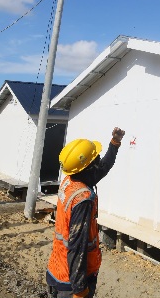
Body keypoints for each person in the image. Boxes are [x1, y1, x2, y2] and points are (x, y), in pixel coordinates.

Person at [46, 127, 125, 298]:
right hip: (71, 281)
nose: (98, 161)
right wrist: (80, 290)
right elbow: (77, 246)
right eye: (95, 159)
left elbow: (103, 168)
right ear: (88, 166)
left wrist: (114, 143)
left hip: (57, 268)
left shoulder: (71, 180)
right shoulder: (82, 199)